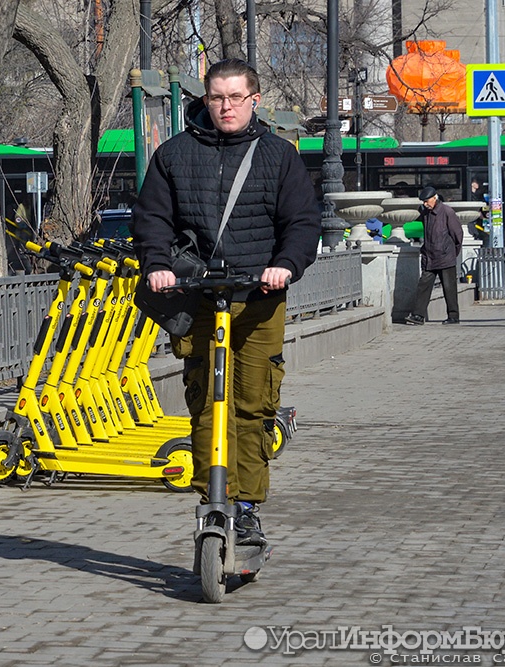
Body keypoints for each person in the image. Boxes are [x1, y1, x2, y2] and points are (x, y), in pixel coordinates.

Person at [131, 58, 321, 546]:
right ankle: (214, 500)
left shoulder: (279, 156)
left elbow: (302, 222)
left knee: (253, 405)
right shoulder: (174, 154)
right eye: (217, 97)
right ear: (205, 100)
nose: (226, 107)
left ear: (254, 100)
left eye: (236, 97)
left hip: (258, 297)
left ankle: (248, 507)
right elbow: (153, 219)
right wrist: (157, 264)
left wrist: (286, 264)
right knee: (206, 404)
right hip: (199, 296)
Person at [404, 186, 463, 325]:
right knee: (423, 286)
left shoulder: (447, 211)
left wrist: (452, 252)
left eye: (427, 201)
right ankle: (418, 315)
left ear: (435, 198)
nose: (425, 204)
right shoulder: (426, 213)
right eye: (423, 202)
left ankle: (453, 316)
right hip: (429, 257)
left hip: (445, 256)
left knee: (449, 288)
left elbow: (457, 234)